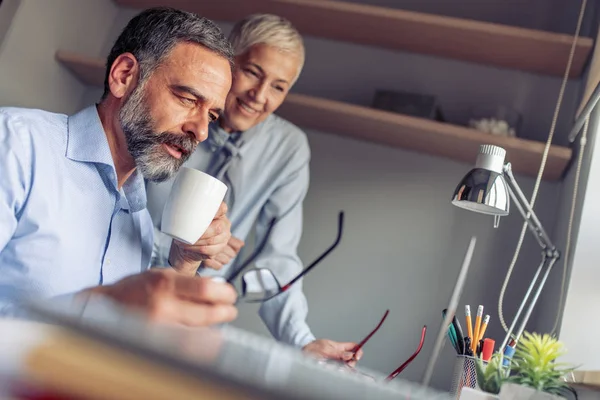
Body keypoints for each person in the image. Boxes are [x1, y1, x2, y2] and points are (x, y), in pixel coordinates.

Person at [0, 7, 238, 326]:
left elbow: (134, 336)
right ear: (124, 76)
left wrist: (184, 262)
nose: (202, 131)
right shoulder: (15, 144)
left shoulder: (139, 221)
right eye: (187, 99)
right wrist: (106, 304)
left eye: (211, 115)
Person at [146, 14, 363, 364]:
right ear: (229, 62)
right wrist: (181, 248)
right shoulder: (176, 111)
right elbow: (118, 202)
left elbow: (277, 257)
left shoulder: (288, 149)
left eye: (278, 87)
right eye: (252, 73)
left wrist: (301, 341)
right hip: (131, 288)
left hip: (199, 321)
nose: (258, 96)